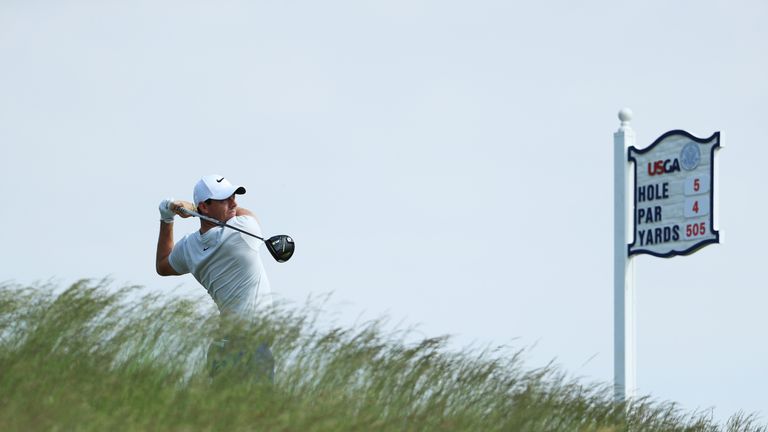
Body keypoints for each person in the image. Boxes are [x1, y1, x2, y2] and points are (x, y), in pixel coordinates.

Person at [155, 174, 274, 382]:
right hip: (251, 348)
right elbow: (248, 213)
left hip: (222, 346)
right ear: (205, 207)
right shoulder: (243, 232)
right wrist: (193, 207)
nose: (233, 203)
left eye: (233, 197)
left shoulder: (189, 247)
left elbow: (163, 265)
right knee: (259, 414)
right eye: (224, 199)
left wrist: (167, 216)